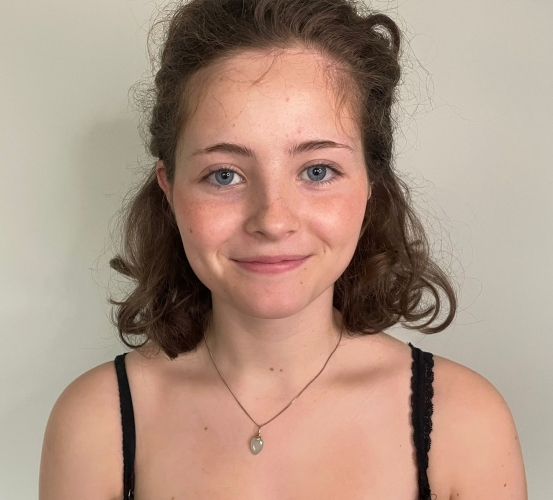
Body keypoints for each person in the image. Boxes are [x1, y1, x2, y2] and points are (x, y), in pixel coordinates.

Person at [39, 0, 528, 499]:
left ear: (370, 184)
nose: (273, 221)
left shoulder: (465, 423)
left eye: (317, 170)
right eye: (223, 175)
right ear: (169, 188)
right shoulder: (94, 424)